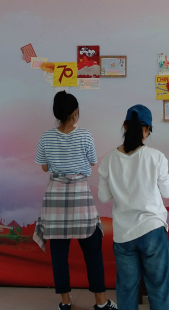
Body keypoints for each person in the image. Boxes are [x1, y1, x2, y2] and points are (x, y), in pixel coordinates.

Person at [34, 91, 117, 310]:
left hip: (55, 198)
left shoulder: (46, 137)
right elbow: (92, 162)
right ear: (75, 112)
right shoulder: (85, 135)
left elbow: (44, 167)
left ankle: (65, 302)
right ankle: (101, 302)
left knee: (59, 254)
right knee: (93, 249)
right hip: (80, 197)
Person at [98, 105, 169, 310]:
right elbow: (167, 192)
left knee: (126, 289)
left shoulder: (108, 160)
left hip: (123, 234)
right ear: (147, 130)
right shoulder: (156, 157)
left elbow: (103, 196)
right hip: (152, 230)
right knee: (158, 290)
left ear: (125, 126)